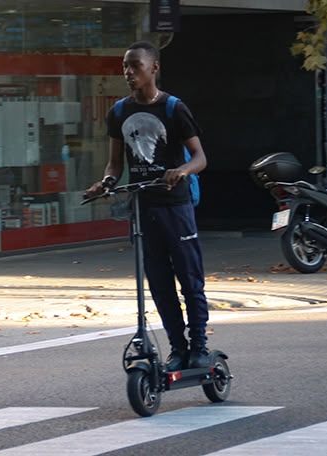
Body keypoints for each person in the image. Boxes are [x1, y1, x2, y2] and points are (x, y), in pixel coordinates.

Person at [85, 41, 210, 371]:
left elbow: (200, 158)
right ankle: (177, 348)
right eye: (125, 66)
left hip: (176, 206)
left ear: (153, 68)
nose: (128, 72)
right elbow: (115, 163)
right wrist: (106, 182)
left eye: (135, 66)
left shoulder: (173, 108)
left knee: (190, 280)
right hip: (142, 209)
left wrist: (181, 170)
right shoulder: (118, 112)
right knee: (158, 283)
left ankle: (199, 346)